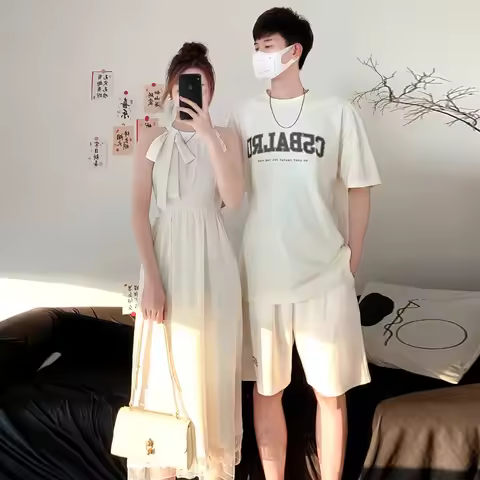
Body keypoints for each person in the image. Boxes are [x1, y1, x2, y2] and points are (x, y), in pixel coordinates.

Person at [229, 8, 381, 480]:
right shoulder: (243, 115)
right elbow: (230, 192)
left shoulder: (337, 113)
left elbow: (359, 187)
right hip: (262, 274)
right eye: (256, 46)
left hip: (325, 275)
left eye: (267, 46)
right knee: (265, 391)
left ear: (294, 51)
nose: (258, 54)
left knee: (329, 393)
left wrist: (353, 257)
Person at [129, 42, 244, 480]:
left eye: (201, 87)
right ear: (170, 90)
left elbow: (234, 199)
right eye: (184, 87)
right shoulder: (150, 138)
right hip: (165, 261)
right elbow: (138, 212)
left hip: (213, 264)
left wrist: (209, 135)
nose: (192, 94)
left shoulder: (227, 137)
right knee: (162, 381)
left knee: (211, 373)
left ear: (211, 92)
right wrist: (152, 282)